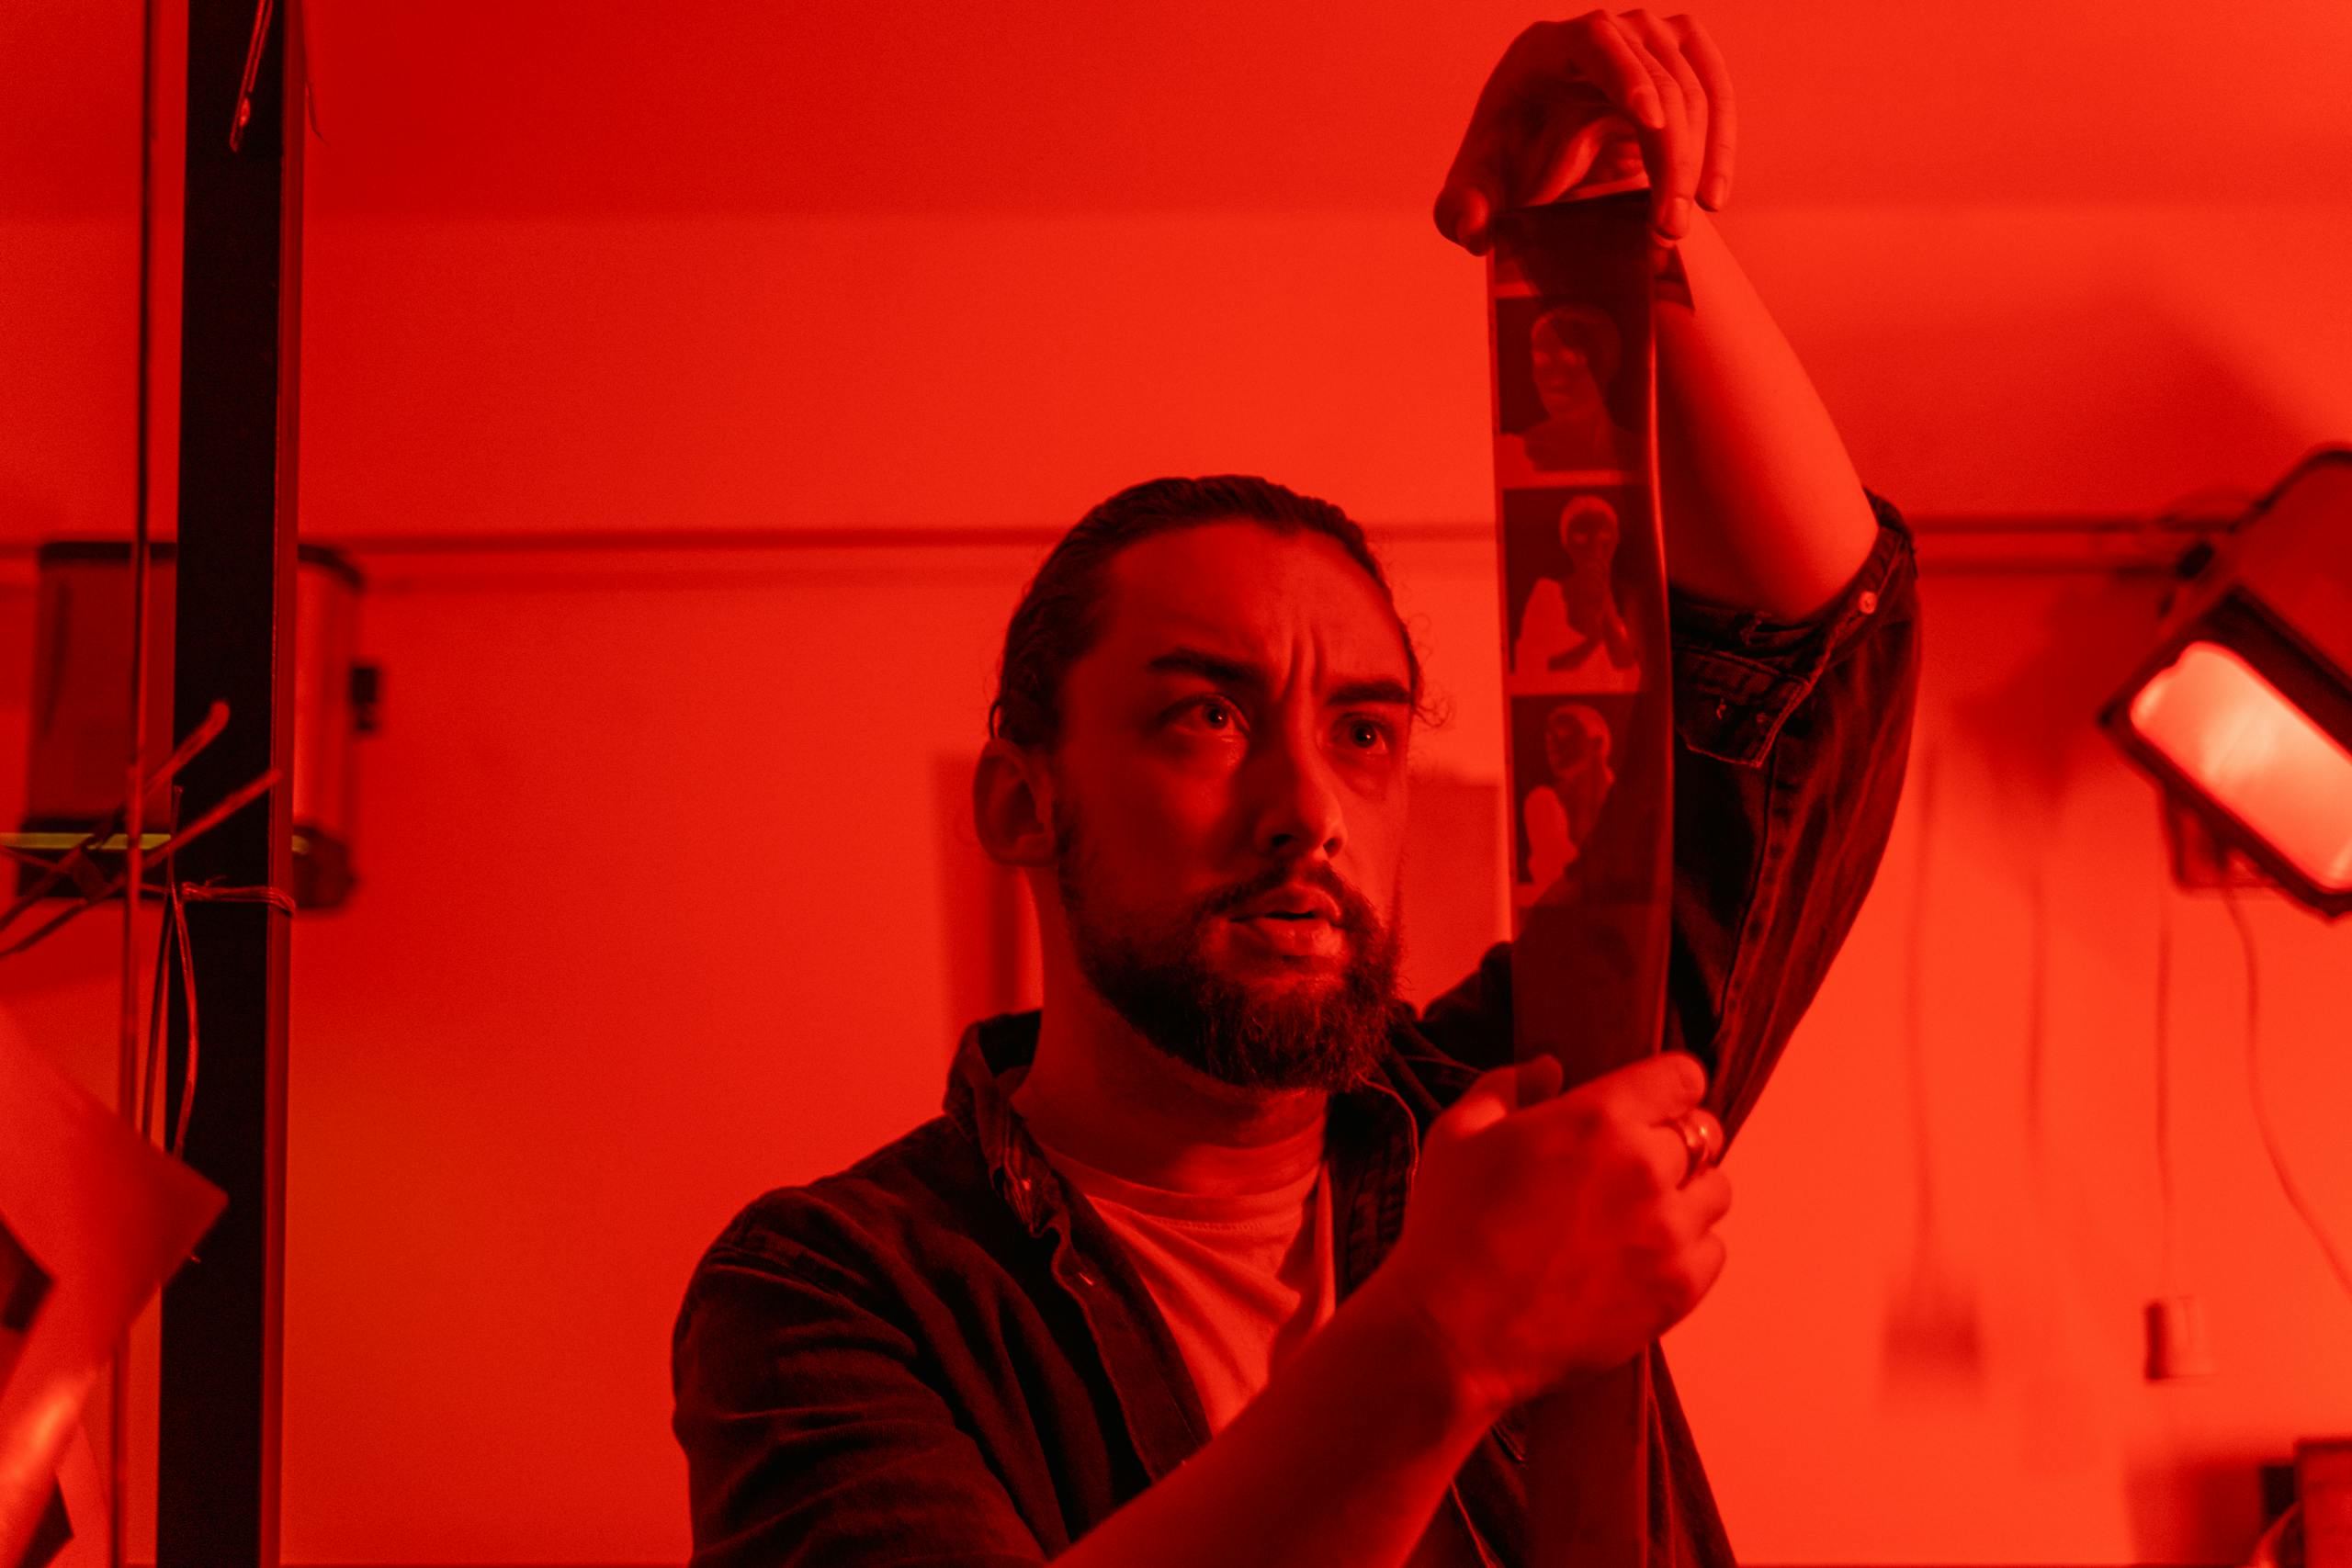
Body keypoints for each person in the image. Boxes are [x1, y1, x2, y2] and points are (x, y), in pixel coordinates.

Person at [671, 11, 1922, 1566]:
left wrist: (1624, 230)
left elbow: (1810, 652)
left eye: (1368, 727)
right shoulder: (840, 1285)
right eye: (1204, 716)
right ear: (1019, 801)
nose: (1308, 807)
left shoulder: (1529, 1111)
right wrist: (1451, 1333)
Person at [1511, 494, 1641, 688]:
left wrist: (1605, 602)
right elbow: (1532, 669)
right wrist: (1592, 642)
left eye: (1604, 537)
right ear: (1566, 543)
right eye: (1581, 537)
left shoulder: (1629, 598)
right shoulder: (1547, 593)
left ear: (1616, 540)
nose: (1594, 549)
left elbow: (1627, 665)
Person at [1517, 305, 1645, 472]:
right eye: (1541, 361)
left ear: (1607, 365)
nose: (1556, 378)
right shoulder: (1516, 455)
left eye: (1572, 360)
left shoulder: (1640, 454)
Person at [1523, 702, 1616, 888]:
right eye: (1549, 738)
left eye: (1564, 733)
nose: (1552, 745)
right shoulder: (1543, 802)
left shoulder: (1628, 798)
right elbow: (1554, 877)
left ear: (1596, 743)